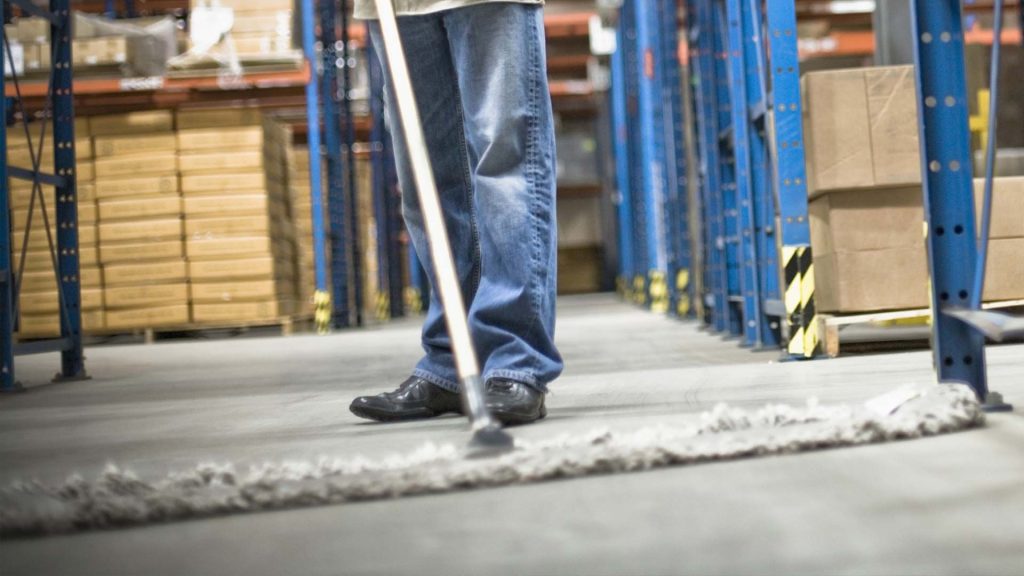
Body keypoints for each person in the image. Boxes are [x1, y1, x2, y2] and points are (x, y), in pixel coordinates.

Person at [348, 0, 562, 425]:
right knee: (426, 181)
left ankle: (515, 361)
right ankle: (451, 362)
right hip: (397, 7)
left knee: (505, 165)